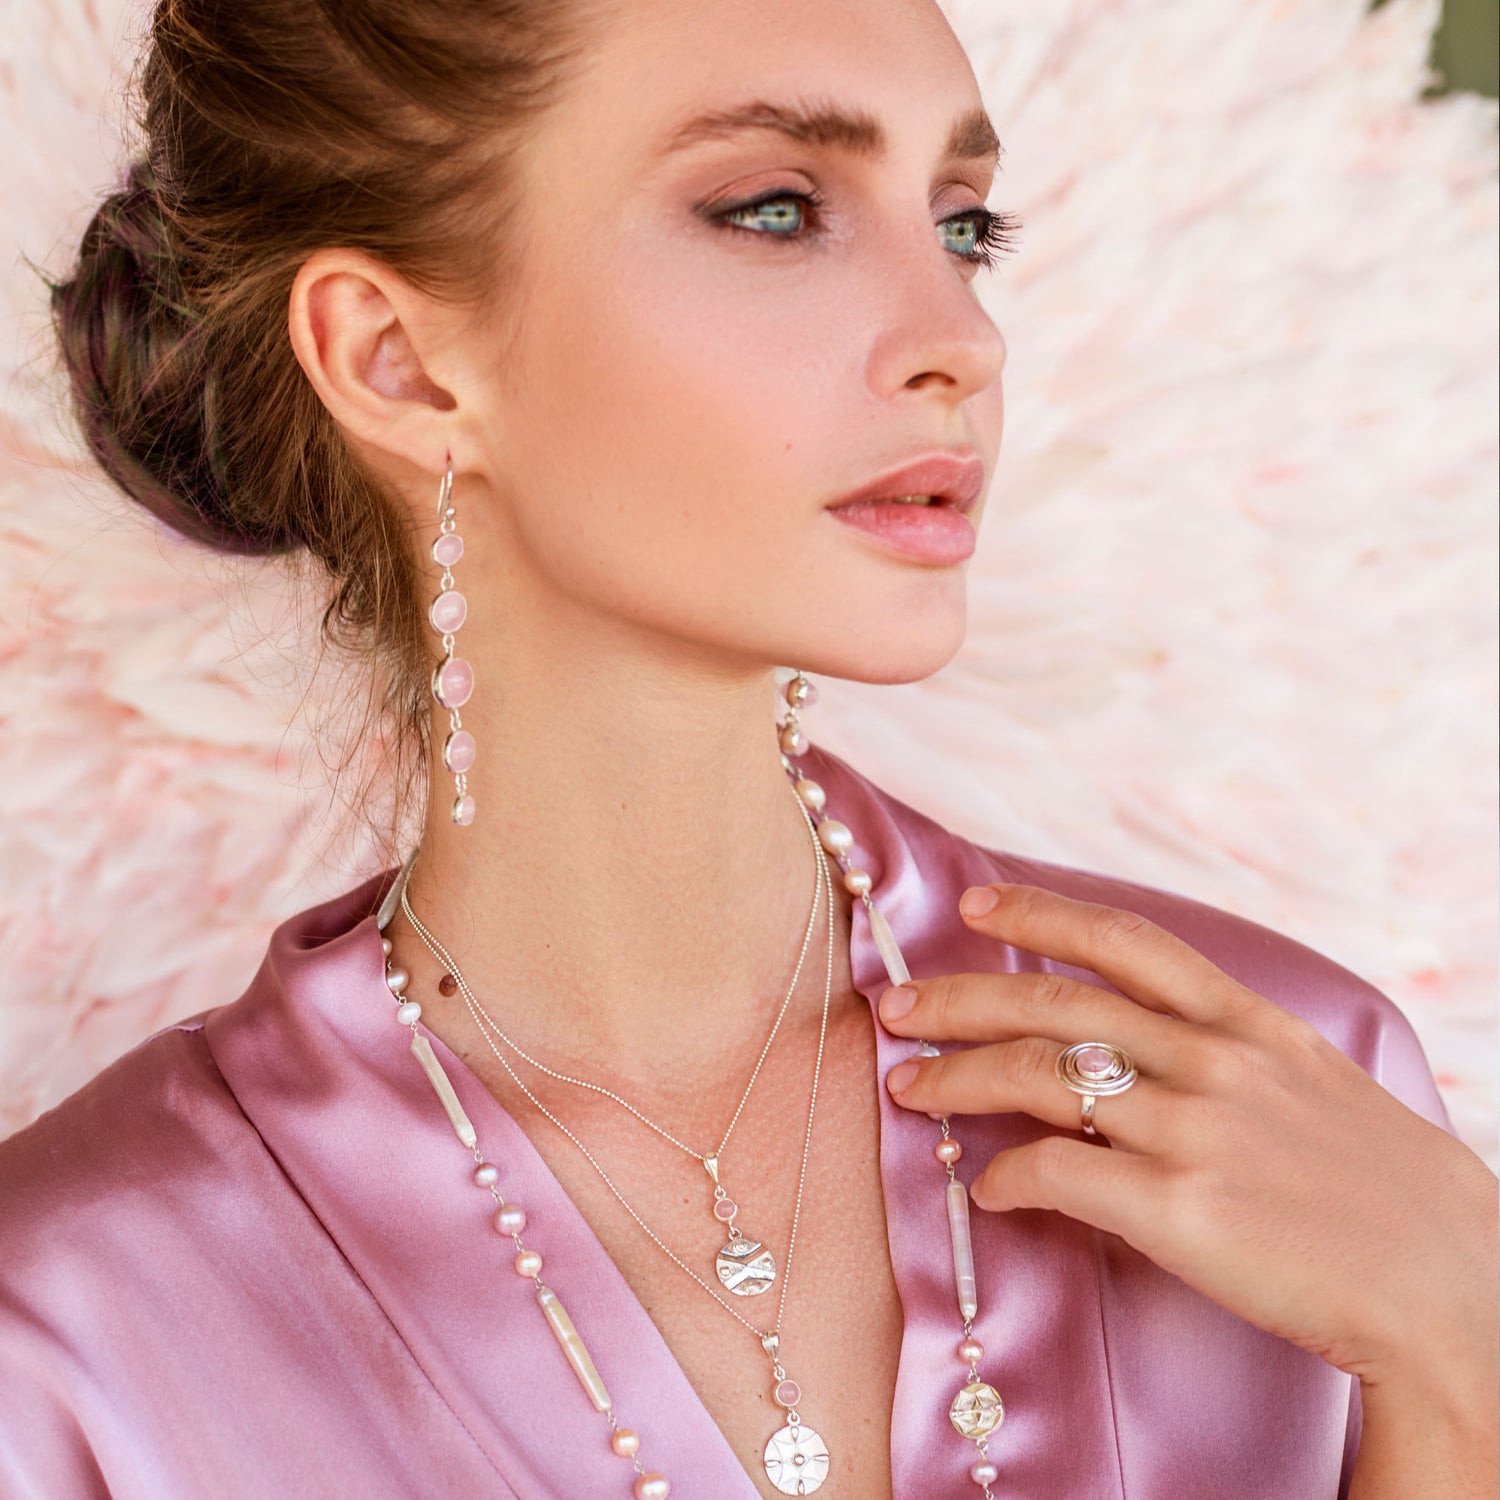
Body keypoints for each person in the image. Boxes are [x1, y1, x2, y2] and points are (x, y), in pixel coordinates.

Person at [2, 0, 1495, 1496]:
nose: (958, 341)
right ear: (396, 359)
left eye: (967, 227)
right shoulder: (80, 1316)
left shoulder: (1302, 1100)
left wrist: (1461, 1348)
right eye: (777, 210)